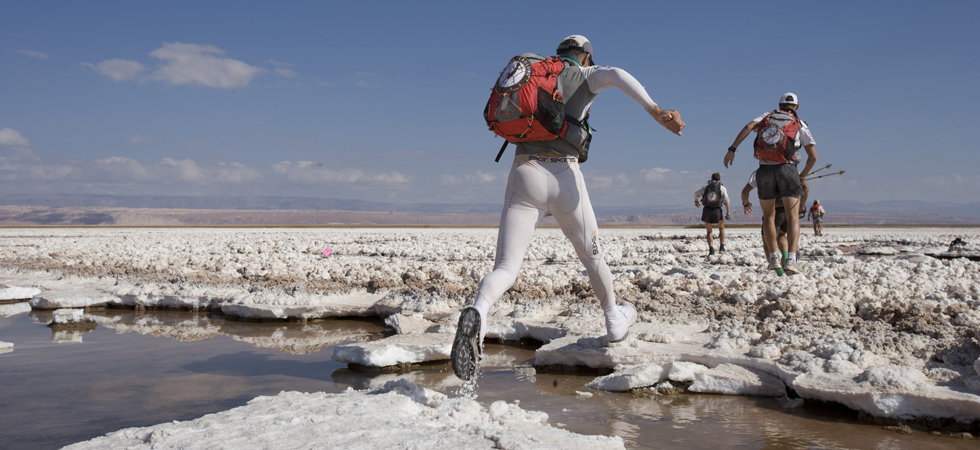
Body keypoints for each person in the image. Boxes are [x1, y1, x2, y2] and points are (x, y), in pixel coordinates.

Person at [451, 35, 685, 380]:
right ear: (586, 56)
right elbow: (618, 75)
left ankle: (479, 311)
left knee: (505, 267)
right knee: (592, 257)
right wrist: (655, 110)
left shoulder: (535, 71)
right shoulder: (585, 75)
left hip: (524, 172)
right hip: (564, 175)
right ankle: (614, 319)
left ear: (559, 53)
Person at [724, 92, 816, 275]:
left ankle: (773, 259)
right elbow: (813, 157)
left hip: (764, 170)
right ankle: (791, 260)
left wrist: (732, 149)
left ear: (779, 104)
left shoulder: (766, 116)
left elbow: (748, 126)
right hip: (788, 170)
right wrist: (802, 176)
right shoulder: (800, 124)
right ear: (796, 107)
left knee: (768, 217)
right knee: (793, 217)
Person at [742, 170, 789, 276]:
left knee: (767, 244)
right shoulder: (789, 168)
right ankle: (785, 257)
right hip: (787, 210)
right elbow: (804, 185)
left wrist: (745, 204)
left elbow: (745, 191)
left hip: (772, 212)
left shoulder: (759, 172)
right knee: (781, 235)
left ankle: (779, 272)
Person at [693, 173, 731, 255]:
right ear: (719, 179)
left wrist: (696, 202)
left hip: (707, 210)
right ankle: (722, 247)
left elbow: (695, 194)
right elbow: (727, 200)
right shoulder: (722, 188)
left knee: (709, 231)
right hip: (717, 210)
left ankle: (711, 249)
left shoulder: (706, 187)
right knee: (721, 228)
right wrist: (728, 212)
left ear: (711, 178)